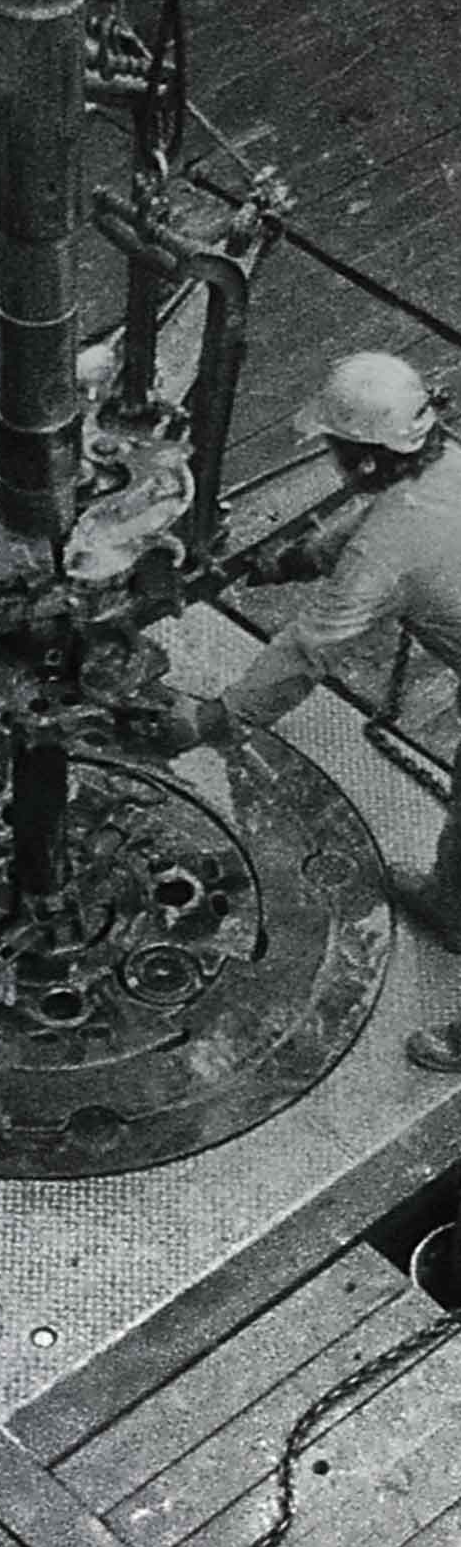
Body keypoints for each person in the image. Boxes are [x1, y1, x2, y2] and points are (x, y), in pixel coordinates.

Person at [177, 350, 461, 1071]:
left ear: (364, 457)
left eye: (335, 447)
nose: (331, 459)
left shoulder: (386, 551)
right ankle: (454, 909)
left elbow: (309, 651)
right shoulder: (444, 461)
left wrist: (216, 719)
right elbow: (379, 526)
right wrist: (286, 561)